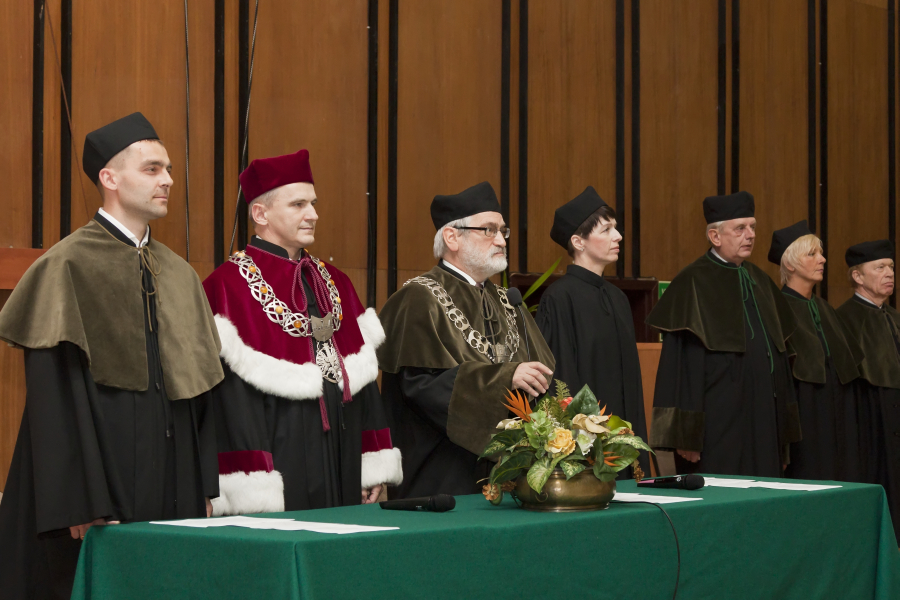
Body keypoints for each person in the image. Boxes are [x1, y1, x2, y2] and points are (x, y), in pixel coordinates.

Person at [0, 112, 224, 599]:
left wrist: (204, 485)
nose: (167, 180)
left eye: (168, 169)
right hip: (98, 486)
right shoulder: (66, 265)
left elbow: (200, 388)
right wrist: (80, 498)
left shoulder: (179, 273)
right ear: (110, 178)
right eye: (152, 169)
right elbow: (53, 397)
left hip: (174, 481)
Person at [202, 149, 401, 514]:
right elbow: (229, 404)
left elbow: (363, 381)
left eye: (313, 203)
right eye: (298, 205)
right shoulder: (226, 287)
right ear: (260, 214)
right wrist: (252, 485)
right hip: (280, 452)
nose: (313, 214)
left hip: (342, 447)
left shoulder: (336, 281)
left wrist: (372, 463)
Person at [377, 181, 556, 497]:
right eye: (489, 230)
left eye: (502, 231)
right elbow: (421, 388)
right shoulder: (418, 299)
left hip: (512, 478)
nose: (501, 240)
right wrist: (504, 378)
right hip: (443, 475)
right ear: (452, 237)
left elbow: (542, 380)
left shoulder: (508, 301)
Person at [647, 191, 799, 477]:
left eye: (752, 227)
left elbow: (780, 360)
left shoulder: (761, 281)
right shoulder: (692, 282)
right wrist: (686, 436)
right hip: (717, 425)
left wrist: (783, 440)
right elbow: (680, 368)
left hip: (764, 421)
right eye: (740, 228)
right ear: (715, 236)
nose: (750, 235)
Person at [536, 186, 649, 478]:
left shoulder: (618, 298)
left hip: (624, 441)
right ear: (578, 242)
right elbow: (561, 383)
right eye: (607, 229)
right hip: (586, 452)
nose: (618, 236)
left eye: (616, 228)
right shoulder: (559, 298)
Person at [768, 221, 863, 481]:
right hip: (805, 423)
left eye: (820, 253)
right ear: (790, 265)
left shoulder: (827, 310)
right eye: (812, 254)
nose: (822, 259)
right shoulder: (776, 309)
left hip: (839, 420)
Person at [835, 240, 900, 541]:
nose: (890, 273)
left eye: (892, 267)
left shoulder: (894, 317)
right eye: (880, 267)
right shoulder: (844, 318)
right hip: (870, 419)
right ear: (857, 276)